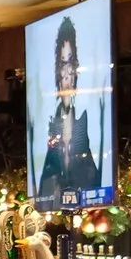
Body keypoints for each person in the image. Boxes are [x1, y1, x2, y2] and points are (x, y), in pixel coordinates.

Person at [38, 15, 103, 206]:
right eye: (62, 65)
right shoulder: (48, 120)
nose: (66, 74)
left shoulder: (86, 116)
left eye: (70, 64)